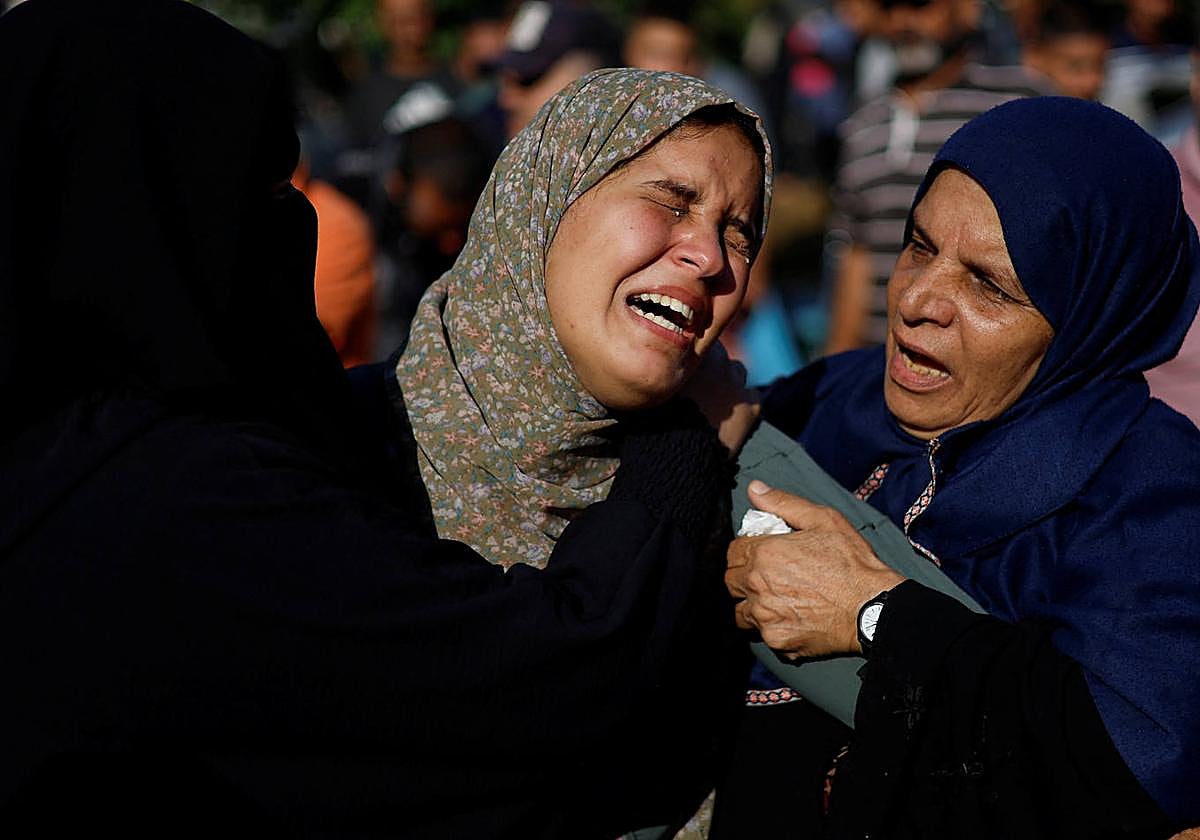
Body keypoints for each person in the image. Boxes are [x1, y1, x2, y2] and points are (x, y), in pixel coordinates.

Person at [0, 3, 772, 838]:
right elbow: (549, 683)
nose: (710, 258)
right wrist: (680, 452)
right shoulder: (168, 501)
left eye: (741, 233)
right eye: (262, 188)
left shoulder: (70, 453)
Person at [723, 96, 1200, 837]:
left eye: (989, 285)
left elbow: (1136, 762)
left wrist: (876, 616)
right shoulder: (832, 397)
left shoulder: (1146, 496)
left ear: (1088, 315)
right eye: (919, 246)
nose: (917, 300)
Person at [824, 0, 1045, 353]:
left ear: (967, 9)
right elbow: (855, 253)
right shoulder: (862, 123)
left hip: (973, 354)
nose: (903, 20)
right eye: (890, 9)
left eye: (922, 6)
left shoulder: (1017, 102)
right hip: (882, 359)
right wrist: (842, 361)